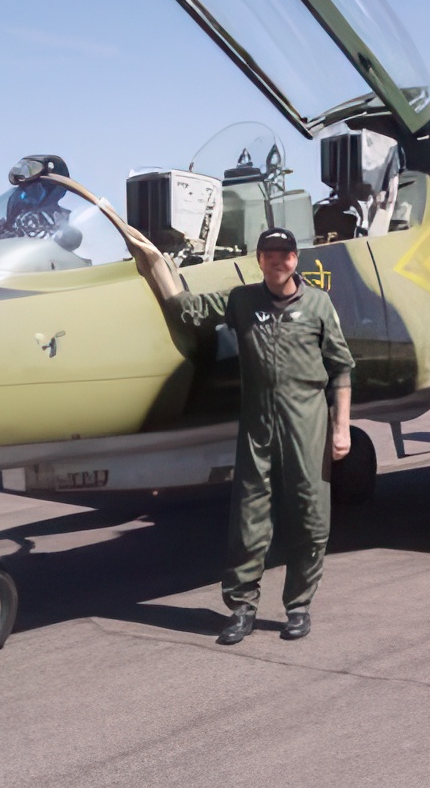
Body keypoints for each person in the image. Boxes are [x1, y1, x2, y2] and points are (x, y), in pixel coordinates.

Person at [133, 226, 354, 643]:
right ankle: (242, 608)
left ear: (295, 259)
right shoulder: (242, 300)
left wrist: (341, 428)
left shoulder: (319, 304)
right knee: (249, 520)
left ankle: (298, 606)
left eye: (285, 253)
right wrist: (154, 265)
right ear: (259, 259)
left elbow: (341, 368)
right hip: (258, 426)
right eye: (269, 253)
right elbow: (189, 311)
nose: (277, 260)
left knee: (311, 516)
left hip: (307, 423)